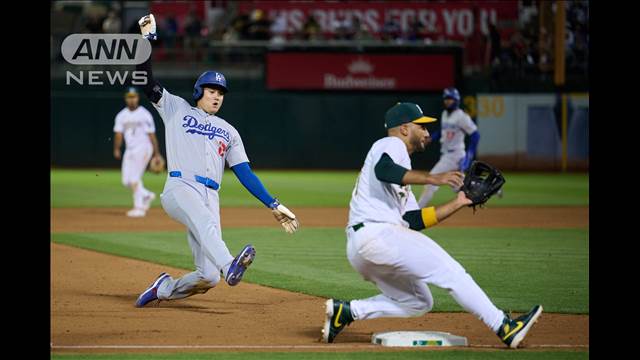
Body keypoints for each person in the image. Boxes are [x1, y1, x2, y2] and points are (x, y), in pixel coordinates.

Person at [321, 102, 542, 348]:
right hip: (377, 234)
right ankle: (505, 327)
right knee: (452, 272)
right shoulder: (391, 145)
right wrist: (432, 177)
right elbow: (385, 169)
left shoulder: (402, 180)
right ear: (404, 129)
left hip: (362, 247)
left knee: (418, 301)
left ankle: (349, 312)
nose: (427, 133)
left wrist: (459, 202)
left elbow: (414, 221)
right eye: (422, 126)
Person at [133, 15, 299, 307]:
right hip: (180, 186)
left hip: (211, 195)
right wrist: (145, 41)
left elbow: (245, 172)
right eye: (211, 90)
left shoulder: (229, 131)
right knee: (206, 226)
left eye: (221, 92)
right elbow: (145, 81)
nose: (216, 96)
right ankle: (230, 265)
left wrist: (273, 204)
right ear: (199, 92)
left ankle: (164, 288)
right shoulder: (176, 108)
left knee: (207, 278)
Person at [417, 88, 480, 207]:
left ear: (456, 100)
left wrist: (469, 156)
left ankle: (416, 210)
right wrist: (432, 138)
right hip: (447, 154)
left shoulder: (462, 116)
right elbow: (443, 131)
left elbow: (475, 135)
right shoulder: (445, 114)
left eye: (450, 99)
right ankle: (483, 188)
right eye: (446, 99)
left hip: (455, 154)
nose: (448, 101)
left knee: (431, 181)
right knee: (458, 185)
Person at [112, 87, 160, 218]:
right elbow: (118, 134)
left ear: (137, 98)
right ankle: (146, 195)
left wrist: (156, 154)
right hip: (130, 149)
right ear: (126, 98)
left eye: (134, 96)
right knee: (126, 181)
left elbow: (152, 135)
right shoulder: (122, 115)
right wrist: (116, 148)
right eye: (129, 96)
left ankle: (139, 208)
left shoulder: (144, 114)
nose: (131, 99)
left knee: (134, 178)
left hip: (144, 147)